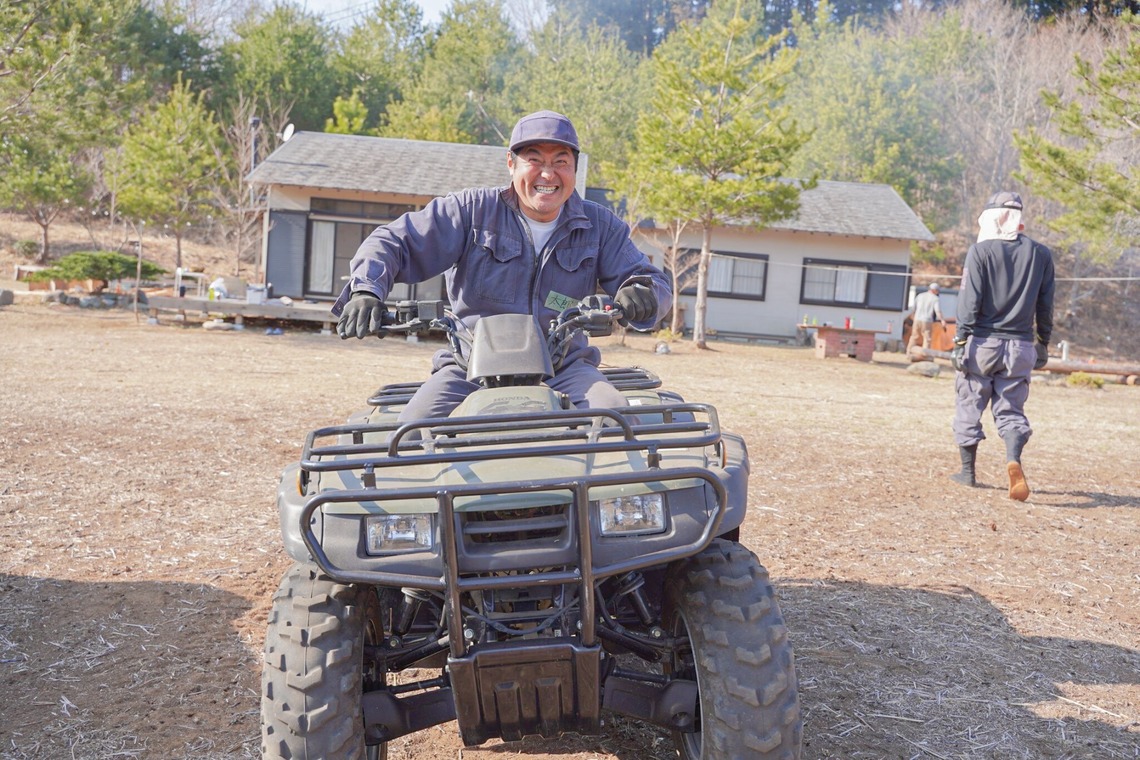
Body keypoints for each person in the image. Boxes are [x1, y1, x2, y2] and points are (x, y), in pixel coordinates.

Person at [333, 110, 671, 420]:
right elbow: (393, 241)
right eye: (534, 160)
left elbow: (646, 279)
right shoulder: (471, 212)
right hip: (470, 362)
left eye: (560, 161)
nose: (548, 174)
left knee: (612, 418)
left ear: (575, 169)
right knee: (411, 431)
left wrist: (642, 294)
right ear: (511, 163)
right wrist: (366, 290)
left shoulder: (601, 226)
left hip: (564, 364)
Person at [949, 191, 1054, 501]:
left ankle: (967, 473)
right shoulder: (1041, 254)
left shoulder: (980, 252)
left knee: (970, 403)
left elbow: (969, 301)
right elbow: (1046, 304)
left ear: (991, 217)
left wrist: (959, 340)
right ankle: (1013, 459)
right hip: (1021, 346)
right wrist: (1043, 341)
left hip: (982, 343)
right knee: (1011, 410)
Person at [906, 282, 947, 354]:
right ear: (935, 290)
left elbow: (913, 308)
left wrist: (913, 317)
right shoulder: (935, 298)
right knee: (927, 338)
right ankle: (924, 354)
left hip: (917, 319)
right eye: (937, 291)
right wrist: (942, 321)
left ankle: (909, 352)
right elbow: (938, 311)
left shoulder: (920, 296)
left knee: (914, 336)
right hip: (927, 320)